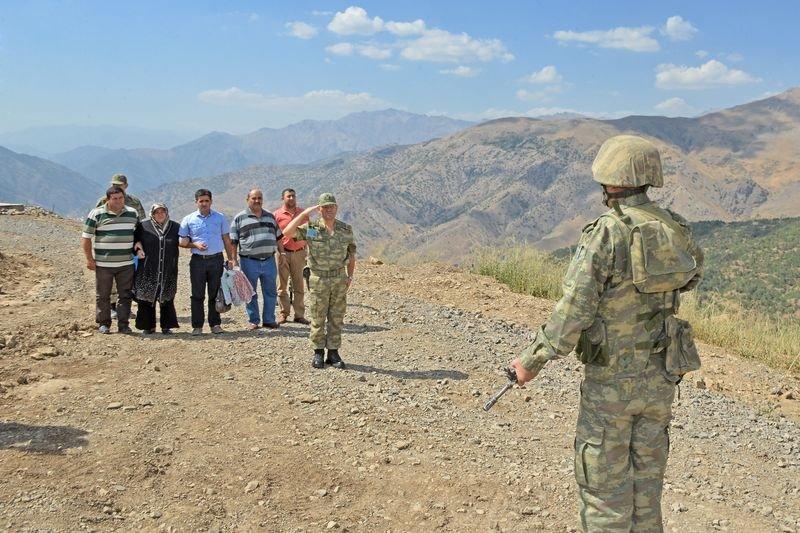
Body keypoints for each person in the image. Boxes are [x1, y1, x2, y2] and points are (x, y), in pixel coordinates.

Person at [510, 135, 704, 532]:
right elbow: (691, 277)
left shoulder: (608, 232)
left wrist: (530, 362)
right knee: (646, 492)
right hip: (660, 380)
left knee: (604, 493)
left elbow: (574, 309)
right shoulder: (675, 226)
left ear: (610, 179)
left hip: (612, 383)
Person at [282, 193, 356, 369]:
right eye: (325, 207)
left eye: (332, 206)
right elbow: (287, 233)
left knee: (336, 317)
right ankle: (318, 352)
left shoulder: (345, 230)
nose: (329, 209)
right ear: (320, 209)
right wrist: (303, 214)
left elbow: (351, 255)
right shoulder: (313, 229)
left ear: (336, 208)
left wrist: (350, 276)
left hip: (339, 278)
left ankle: (333, 352)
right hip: (319, 279)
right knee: (318, 316)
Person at [80, 186, 139, 334]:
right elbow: (86, 237)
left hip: (126, 263)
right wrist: (89, 259)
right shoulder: (97, 214)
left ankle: (124, 325)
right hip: (104, 264)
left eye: (121, 198)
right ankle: (104, 323)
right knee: (103, 295)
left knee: (125, 295)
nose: (118, 201)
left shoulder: (132, 213)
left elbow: (138, 234)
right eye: (115, 198)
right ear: (108, 199)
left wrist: (138, 246)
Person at [178, 189, 236, 335]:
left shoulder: (220, 218)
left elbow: (226, 239)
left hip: (216, 260)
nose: (204, 203)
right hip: (198, 261)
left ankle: (215, 324)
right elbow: (182, 242)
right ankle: (197, 326)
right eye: (201, 201)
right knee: (197, 294)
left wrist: (231, 259)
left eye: (206, 201)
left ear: (211, 201)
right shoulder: (188, 219)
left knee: (215, 293)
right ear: (196, 202)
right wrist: (195, 245)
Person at [229, 188, 285, 330]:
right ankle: (253, 320)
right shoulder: (239, 218)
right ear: (247, 199)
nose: (257, 201)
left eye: (259, 198)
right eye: (254, 198)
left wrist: (282, 253)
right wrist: (233, 259)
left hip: (269, 260)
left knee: (270, 291)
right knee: (250, 292)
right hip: (249, 261)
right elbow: (233, 241)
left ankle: (269, 320)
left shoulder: (270, 217)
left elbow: (279, 237)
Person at [95, 173, 145, 319]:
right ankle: (111, 308)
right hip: (109, 249)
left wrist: (139, 243)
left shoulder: (134, 202)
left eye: (119, 185)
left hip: (129, 245)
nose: (116, 187)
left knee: (127, 280)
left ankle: (125, 309)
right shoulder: (103, 201)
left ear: (126, 186)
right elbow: (97, 221)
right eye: (114, 184)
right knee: (109, 283)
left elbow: (140, 224)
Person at [132, 203, 180, 334]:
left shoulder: (175, 227)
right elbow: (134, 240)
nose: (160, 214)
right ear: (152, 214)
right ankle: (148, 326)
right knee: (146, 297)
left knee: (167, 297)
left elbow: (184, 241)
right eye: (156, 212)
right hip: (147, 268)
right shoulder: (143, 226)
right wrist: (137, 248)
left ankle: (166, 326)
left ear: (167, 212)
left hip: (168, 269)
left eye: (162, 211)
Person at [273, 188, 310, 325]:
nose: (291, 198)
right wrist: (279, 251)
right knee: (282, 285)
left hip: (299, 253)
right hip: (283, 253)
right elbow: (274, 235)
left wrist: (310, 250)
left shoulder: (303, 214)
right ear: (283, 198)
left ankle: (299, 315)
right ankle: (284, 313)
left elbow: (310, 232)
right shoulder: (276, 215)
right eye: (288, 196)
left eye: (293, 196)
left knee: (298, 284)